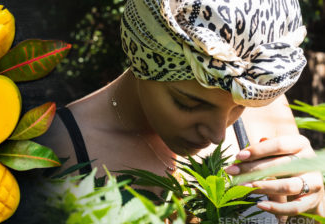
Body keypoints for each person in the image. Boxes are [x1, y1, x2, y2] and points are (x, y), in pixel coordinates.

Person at [35, 0, 325, 222]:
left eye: (239, 106)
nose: (217, 134)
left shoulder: (266, 111)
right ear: (143, 59)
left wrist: (313, 207)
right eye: (189, 103)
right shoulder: (54, 151)